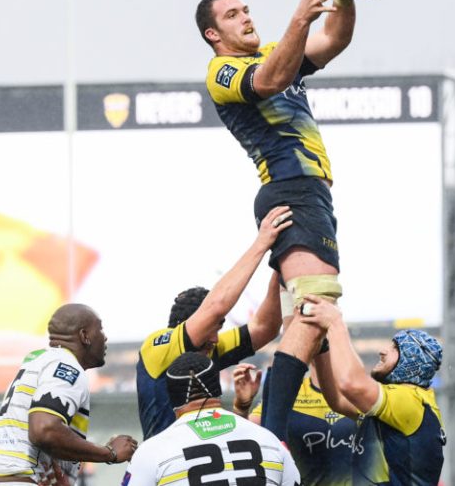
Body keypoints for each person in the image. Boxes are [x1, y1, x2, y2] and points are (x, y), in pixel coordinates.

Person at [196, 0, 360, 441]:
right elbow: (267, 81)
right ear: (212, 34)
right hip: (291, 193)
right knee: (317, 306)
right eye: (232, 15)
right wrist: (300, 17)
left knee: (305, 321)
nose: (245, 16)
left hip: (309, 198)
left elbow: (334, 40)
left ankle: (338, 406)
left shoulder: (274, 51)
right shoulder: (221, 72)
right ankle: (273, 434)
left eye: (246, 9)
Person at [136, 205, 292, 439]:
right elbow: (216, 306)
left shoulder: (210, 348)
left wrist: (282, 262)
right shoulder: (156, 349)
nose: (216, 338)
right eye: (213, 327)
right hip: (165, 467)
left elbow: (265, 327)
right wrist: (262, 243)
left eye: (219, 328)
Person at [0, 303, 138, 484]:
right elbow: (44, 429)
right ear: (85, 336)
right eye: (100, 330)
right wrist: (109, 453)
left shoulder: (39, 362)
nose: (105, 337)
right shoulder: (67, 366)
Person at [300, 296, 446, 485]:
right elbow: (337, 400)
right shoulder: (402, 405)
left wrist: (335, 323)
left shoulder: (409, 400)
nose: (383, 351)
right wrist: (322, 348)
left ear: (411, 359)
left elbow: (351, 384)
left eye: (394, 348)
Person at [123, 352, 301, 486]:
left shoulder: (151, 451)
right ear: (218, 389)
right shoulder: (269, 440)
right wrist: (241, 410)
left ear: (172, 400)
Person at [231, 337, 356, 485]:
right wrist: (242, 407)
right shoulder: (289, 392)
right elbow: (246, 438)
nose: (323, 345)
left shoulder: (361, 391)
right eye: (320, 339)